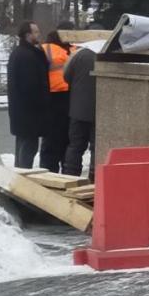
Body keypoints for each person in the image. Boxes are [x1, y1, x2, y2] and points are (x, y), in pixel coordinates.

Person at [7, 21, 49, 169]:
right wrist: (42, 105)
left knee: (22, 143)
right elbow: (30, 86)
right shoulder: (28, 56)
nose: (39, 34)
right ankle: (24, 176)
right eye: (36, 32)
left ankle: (19, 174)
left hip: (21, 112)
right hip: (29, 112)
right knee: (28, 147)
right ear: (27, 35)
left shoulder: (20, 53)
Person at [39, 21, 76, 173]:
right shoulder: (47, 49)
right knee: (59, 139)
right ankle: (53, 172)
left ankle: (53, 170)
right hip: (59, 99)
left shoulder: (73, 49)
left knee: (59, 139)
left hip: (62, 98)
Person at [62, 42, 97, 181]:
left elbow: (66, 76)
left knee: (75, 146)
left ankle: (70, 176)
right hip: (99, 111)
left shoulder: (80, 54)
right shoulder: (107, 55)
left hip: (78, 110)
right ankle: (94, 177)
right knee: (96, 147)